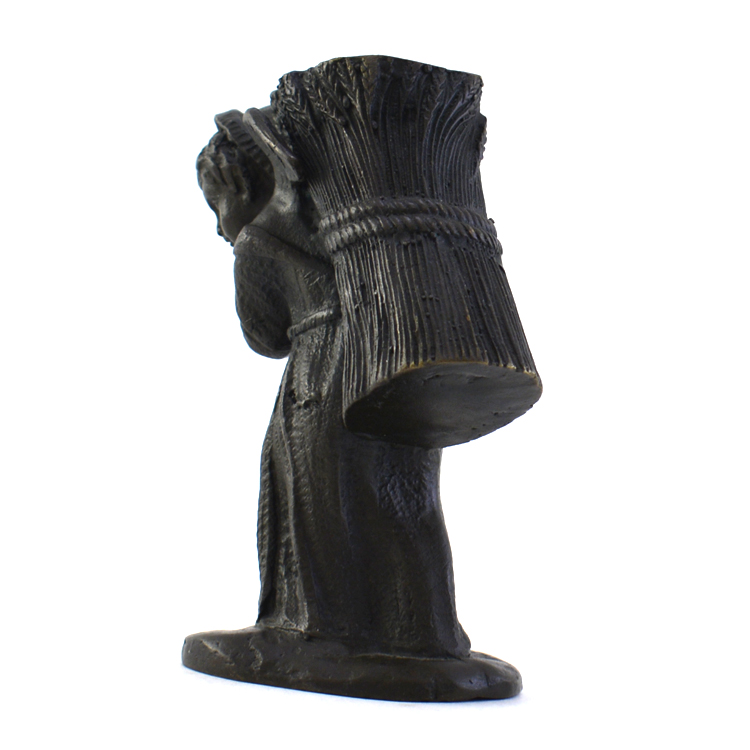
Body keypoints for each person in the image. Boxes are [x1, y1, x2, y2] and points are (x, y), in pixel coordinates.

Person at [195, 109, 471, 657]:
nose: (215, 224)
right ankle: (426, 630)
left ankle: (319, 626)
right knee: (404, 500)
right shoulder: (348, 231)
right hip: (388, 363)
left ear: (241, 186)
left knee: (317, 500)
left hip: (320, 375)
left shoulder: (257, 241)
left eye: (214, 202)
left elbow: (264, 335)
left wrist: (240, 235)